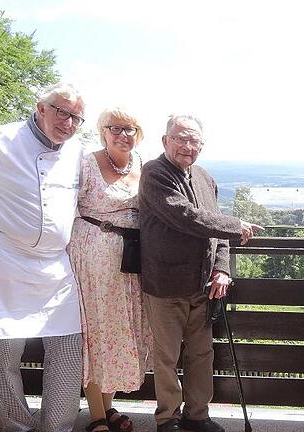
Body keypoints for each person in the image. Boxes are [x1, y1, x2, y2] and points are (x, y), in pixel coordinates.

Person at [0, 82, 86, 432]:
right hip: (4, 259)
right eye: (61, 111)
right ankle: (17, 424)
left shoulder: (78, 150)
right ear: (40, 107)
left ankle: (58, 427)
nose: (67, 122)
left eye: (76, 117)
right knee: (5, 354)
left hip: (56, 266)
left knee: (68, 350)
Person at [139, 114, 263, 432]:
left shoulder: (206, 177)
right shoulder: (154, 173)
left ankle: (197, 416)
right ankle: (167, 419)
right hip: (165, 285)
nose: (187, 145)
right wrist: (237, 226)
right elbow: (186, 217)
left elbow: (214, 227)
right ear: (165, 140)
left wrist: (222, 268)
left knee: (201, 354)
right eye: (180, 138)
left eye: (194, 140)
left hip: (203, 285)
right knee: (166, 357)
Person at [68, 107, 153, 432]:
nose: (122, 134)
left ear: (138, 134)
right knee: (95, 333)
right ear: (103, 131)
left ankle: (108, 405)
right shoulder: (86, 163)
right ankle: (96, 417)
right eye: (115, 128)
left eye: (129, 128)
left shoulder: (143, 165)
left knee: (119, 333)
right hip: (91, 260)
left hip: (130, 262)